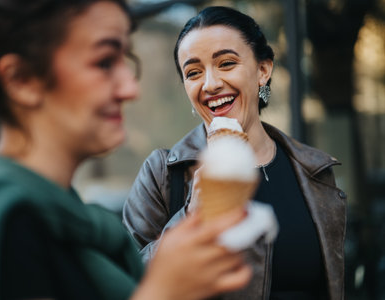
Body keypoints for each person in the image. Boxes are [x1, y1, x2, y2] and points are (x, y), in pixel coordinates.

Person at [0, 1, 253, 300]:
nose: (131, 88)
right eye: (104, 62)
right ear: (22, 80)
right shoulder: (5, 224)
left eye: (126, 60)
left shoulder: (71, 219)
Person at [123, 6, 347, 300]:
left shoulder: (315, 171)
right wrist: (191, 214)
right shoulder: (164, 173)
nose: (211, 83)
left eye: (226, 63)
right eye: (193, 72)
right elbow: (125, 283)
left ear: (263, 71)